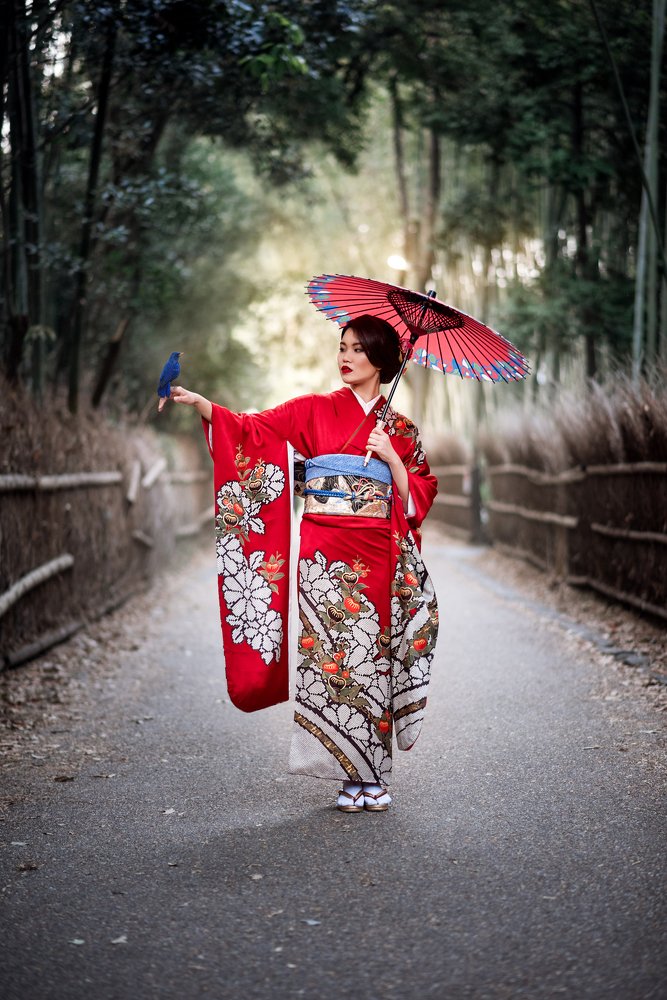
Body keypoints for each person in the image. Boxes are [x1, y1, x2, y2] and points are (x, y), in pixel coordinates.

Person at [169, 314, 439, 812]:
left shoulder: (400, 429)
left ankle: (372, 774)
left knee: (371, 658)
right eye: (342, 347)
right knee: (327, 660)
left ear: (382, 359)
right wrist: (203, 405)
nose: (345, 357)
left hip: (375, 554)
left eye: (357, 349)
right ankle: (346, 776)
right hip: (321, 556)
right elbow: (252, 432)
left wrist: (392, 459)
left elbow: (420, 492)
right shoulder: (313, 409)